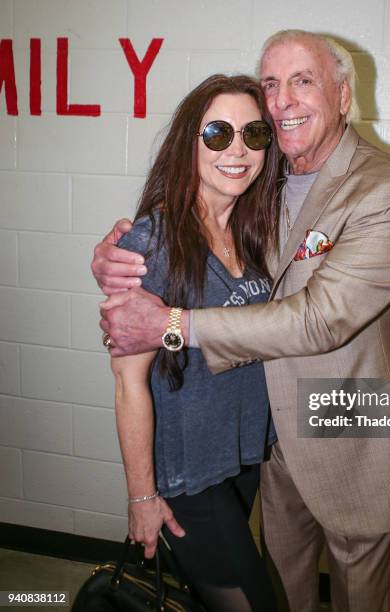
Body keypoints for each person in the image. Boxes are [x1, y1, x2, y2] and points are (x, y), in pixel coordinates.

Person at [94, 31, 390, 612]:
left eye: (304, 81)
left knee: (364, 597)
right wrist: (114, 254)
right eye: (272, 85)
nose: (282, 102)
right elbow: (179, 245)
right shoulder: (264, 178)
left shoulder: (389, 190)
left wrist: (171, 324)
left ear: (344, 95)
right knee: (283, 587)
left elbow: (319, 320)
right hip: (274, 450)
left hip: (355, 437)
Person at [105, 73, 280, 612]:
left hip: (243, 458)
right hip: (187, 478)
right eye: (217, 134)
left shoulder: (258, 234)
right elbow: (129, 383)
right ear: (188, 144)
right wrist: (142, 497)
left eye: (253, 134)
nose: (237, 150)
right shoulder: (151, 242)